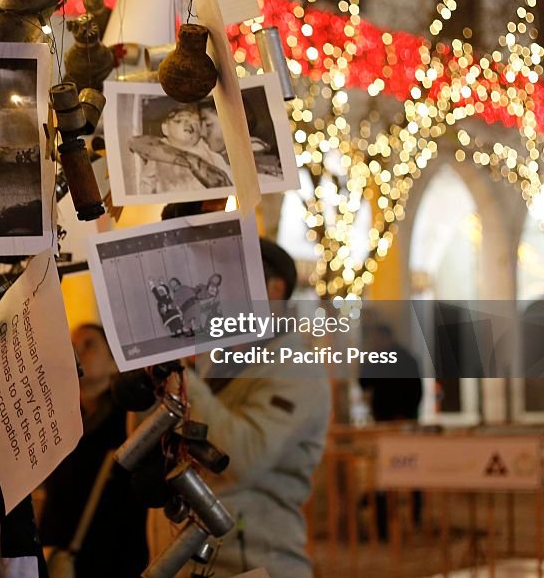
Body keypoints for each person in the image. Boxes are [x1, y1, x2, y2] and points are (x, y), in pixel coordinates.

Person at [172, 225, 331, 577]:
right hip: (197, 557)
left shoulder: (296, 369)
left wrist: (184, 380)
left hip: (255, 559)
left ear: (273, 292)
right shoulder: (222, 361)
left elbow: (244, 456)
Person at [40, 324, 148, 577]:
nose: (76, 352)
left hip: (118, 562)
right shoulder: (62, 424)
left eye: (89, 345)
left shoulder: (130, 424)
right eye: (72, 346)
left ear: (114, 362)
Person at [358, 323, 423, 539]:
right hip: (394, 422)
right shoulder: (400, 358)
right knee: (396, 471)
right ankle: (402, 520)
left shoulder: (395, 359)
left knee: (394, 470)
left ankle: (394, 523)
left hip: (393, 422)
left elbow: (364, 382)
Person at [136, 108, 231, 194]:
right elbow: (147, 183)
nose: (188, 123)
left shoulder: (209, 152)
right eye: (179, 120)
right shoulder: (158, 152)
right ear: (165, 128)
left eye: (195, 122)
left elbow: (226, 176)